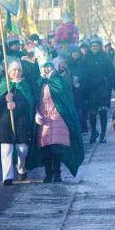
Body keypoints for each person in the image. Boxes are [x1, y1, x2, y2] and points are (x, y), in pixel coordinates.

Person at [32, 51, 84, 183]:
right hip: (43, 120)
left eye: (48, 66)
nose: (46, 69)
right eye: (44, 67)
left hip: (58, 119)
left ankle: (57, 174)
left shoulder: (58, 81)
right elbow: (34, 100)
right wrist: (36, 113)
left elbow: (64, 99)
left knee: (56, 149)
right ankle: (47, 174)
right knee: (45, 149)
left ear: (53, 67)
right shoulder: (38, 83)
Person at [0, 59, 35, 185]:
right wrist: (5, 99)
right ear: (9, 72)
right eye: (14, 70)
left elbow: (29, 104)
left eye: (19, 70)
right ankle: (7, 177)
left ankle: (21, 167)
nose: (16, 72)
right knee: (6, 150)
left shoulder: (25, 86)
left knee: (22, 149)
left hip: (21, 122)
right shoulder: (2, 85)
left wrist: (16, 104)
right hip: (4, 122)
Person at [82, 36, 115, 144]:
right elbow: (84, 74)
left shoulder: (106, 57)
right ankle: (93, 133)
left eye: (97, 46)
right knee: (92, 114)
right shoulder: (86, 58)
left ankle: (103, 134)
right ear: (90, 47)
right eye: (93, 46)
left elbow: (111, 74)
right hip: (91, 90)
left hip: (103, 89)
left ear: (100, 46)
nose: (95, 48)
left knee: (102, 113)